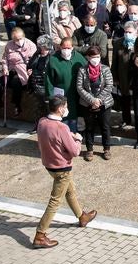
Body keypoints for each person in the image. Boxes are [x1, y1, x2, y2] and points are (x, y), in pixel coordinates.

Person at [33, 96, 97, 249]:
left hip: (49, 166)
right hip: (62, 168)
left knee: (70, 191)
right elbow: (75, 152)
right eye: (66, 106)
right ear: (61, 109)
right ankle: (40, 235)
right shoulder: (62, 127)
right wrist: (78, 139)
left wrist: (69, 137)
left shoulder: (42, 122)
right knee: (55, 201)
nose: (67, 109)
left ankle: (82, 217)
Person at [76, 44, 115, 160]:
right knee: (89, 127)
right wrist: (92, 100)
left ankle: (106, 149)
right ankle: (89, 149)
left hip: (105, 104)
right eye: (92, 56)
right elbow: (79, 87)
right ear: (88, 57)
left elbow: (109, 86)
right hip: (87, 103)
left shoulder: (105, 69)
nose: (95, 59)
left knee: (105, 127)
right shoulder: (82, 70)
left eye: (97, 56)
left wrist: (99, 100)